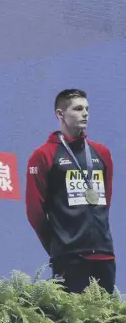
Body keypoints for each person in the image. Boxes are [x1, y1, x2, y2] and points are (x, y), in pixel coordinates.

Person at [25, 89, 115, 294]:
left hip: (105, 255)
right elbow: (34, 211)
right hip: (70, 257)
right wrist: (58, 245)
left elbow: (104, 201)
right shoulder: (44, 155)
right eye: (77, 108)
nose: (85, 113)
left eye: (87, 109)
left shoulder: (102, 153)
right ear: (60, 114)